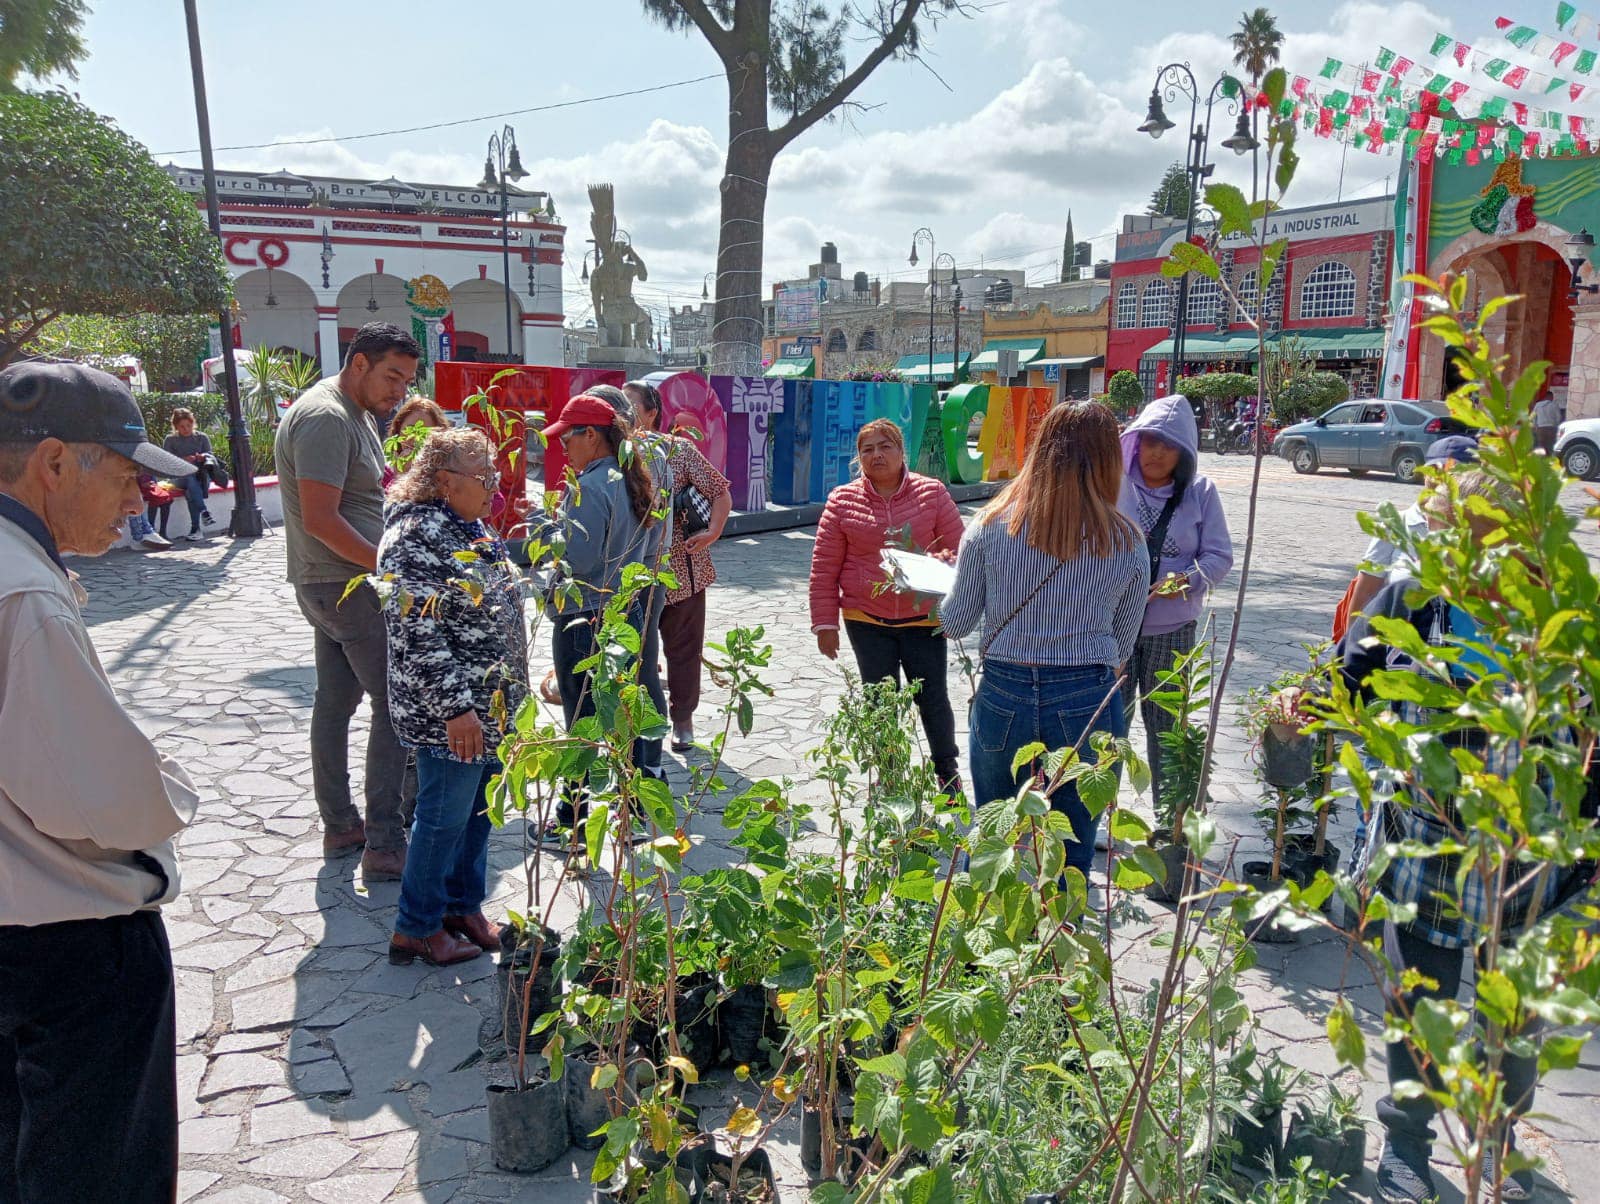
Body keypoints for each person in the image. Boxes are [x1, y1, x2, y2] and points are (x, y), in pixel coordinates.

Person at [0, 362, 201, 1203]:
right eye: (124, 477)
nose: (133, 502)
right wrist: (172, 791)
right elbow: (101, 800)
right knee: (99, 1164)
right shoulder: (25, 595)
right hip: (64, 938)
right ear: (54, 463)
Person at [1340, 470, 1551, 1204]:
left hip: (1531, 853)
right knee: (1421, 999)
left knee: (1515, 1009)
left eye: (1474, 538)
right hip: (1429, 841)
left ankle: (1500, 1138)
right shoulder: (1414, 601)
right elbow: (1352, 679)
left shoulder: (1556, 615)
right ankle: (1407, 1141)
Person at [940, 402, 1149, 873]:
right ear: (1108, 461)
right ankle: (1061, 940)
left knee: (994, 838)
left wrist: (945, 584)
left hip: (1003, 693)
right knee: (1073, 850)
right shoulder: (1127, 541)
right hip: (1087, 698)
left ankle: (991, 936)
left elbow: (955, 623)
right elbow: (1122, 644)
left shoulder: (991, 525)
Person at [275, 322, 420, 880]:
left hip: (335, 582)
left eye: (406, 382)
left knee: (335, 704)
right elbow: (320, 519)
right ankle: (384, 843)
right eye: (391, 377)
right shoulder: (326, 417)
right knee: (396, 704)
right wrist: (388, 566)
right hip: (345, 585)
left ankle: (342, 824)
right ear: (358, 362)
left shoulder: (356, 415)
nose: (399, 393)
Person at [378, 427, 527, 967]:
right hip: (453, 712)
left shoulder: (468, 524)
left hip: (490, 706)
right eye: (482, 475)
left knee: (478, 814)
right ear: (443, 482)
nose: (494, 484)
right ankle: (415, 928)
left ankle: (462, 907)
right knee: (443, 817)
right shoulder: (415, 534)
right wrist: (456, 709)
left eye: (492, 472)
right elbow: (415, 632)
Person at [809, 419, 966, 789]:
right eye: (867, 449)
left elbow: (960, 551)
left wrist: (941, 573)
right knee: (880, 700)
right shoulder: (842, 500)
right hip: (866, 619)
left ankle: (946, 773)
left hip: (923, 619)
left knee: (933, 698)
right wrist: (825, 624)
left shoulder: (932, 493)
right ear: (858, 457)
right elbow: (824, 567)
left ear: (900, 451)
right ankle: (890, 774)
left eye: (885, 446)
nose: (877, 454)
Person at [535, 393, 657, 840]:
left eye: (568, 437)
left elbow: (580, 559)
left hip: (584, 617)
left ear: (591, 435)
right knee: (624, 715)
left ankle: (570, 821)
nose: (562, 446)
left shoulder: (588, 486)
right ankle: (633, 816)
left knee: (581, 723)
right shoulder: (634, 479)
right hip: (625, 610)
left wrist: (547, 535)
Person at [1116, 394, 1233, 808]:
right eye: (1149, 441)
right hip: (1113, 631)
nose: (1156, 452)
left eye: (1168, 445)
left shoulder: (1200, 492)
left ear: (1183, 452)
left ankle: (1172, 817)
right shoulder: (1114, 485)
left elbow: (1219, 555)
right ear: (1136, 442)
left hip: (1172, 629)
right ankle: (1099, 814)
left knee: (1168, 726)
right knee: (1109, 724)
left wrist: (1184, 581)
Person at [625, 379, 732, 753]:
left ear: (652, 414)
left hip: (682, 568)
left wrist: (714, 531)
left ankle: (682, 718)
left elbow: (719, 491)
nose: (622, 414)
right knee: (636, 650)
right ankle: (640, 721)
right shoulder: (611, 456)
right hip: (631, 573)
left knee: (683, 649)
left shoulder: (678, 451)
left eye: (631, 406)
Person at [164, 407, 215, 541]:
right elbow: (166, 461)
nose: (186, 429)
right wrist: (183, 460)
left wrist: (202, 457)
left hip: (200, 475)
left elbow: (210, 456)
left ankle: (196, 529)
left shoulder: (202, 437)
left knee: (191, 490)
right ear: (176, 427)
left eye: (189, 425)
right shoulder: (170, 440)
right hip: (178, 476)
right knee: (189, 476)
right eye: (182, 426)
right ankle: (203, 513)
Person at [384, 395, 449, 483]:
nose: (415, 439)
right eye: (410, 430)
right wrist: (400, 476)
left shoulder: (446, 473)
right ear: (398, 429)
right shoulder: (384, 471)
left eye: (424, 433)